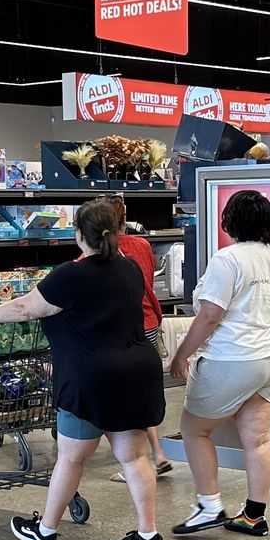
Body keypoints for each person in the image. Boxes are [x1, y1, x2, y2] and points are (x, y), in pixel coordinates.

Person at [0, 199, 167, 540]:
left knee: (72, 458)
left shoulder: (71, 275)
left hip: (90, 380)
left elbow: (25, 308)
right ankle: (148, 535)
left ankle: (45, 531)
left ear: (78, 235)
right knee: (134, 457)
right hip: (137, 373)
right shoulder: (130, 269)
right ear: (118, 231)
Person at [167, 189, 270, 538]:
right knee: (258, 440)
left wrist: (181, 354)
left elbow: (210, 315)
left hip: (233, 358)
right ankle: (253, 515)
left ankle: (208, 506)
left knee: (194, 429)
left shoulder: (227, 259)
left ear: (229, 221)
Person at [102, 192, 176, 482]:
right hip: (149, 321)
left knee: (119, 398)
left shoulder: (100, 251)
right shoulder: (143, 244)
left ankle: (134, 461)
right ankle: (158, 454)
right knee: (143, 391)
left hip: (121, 328)